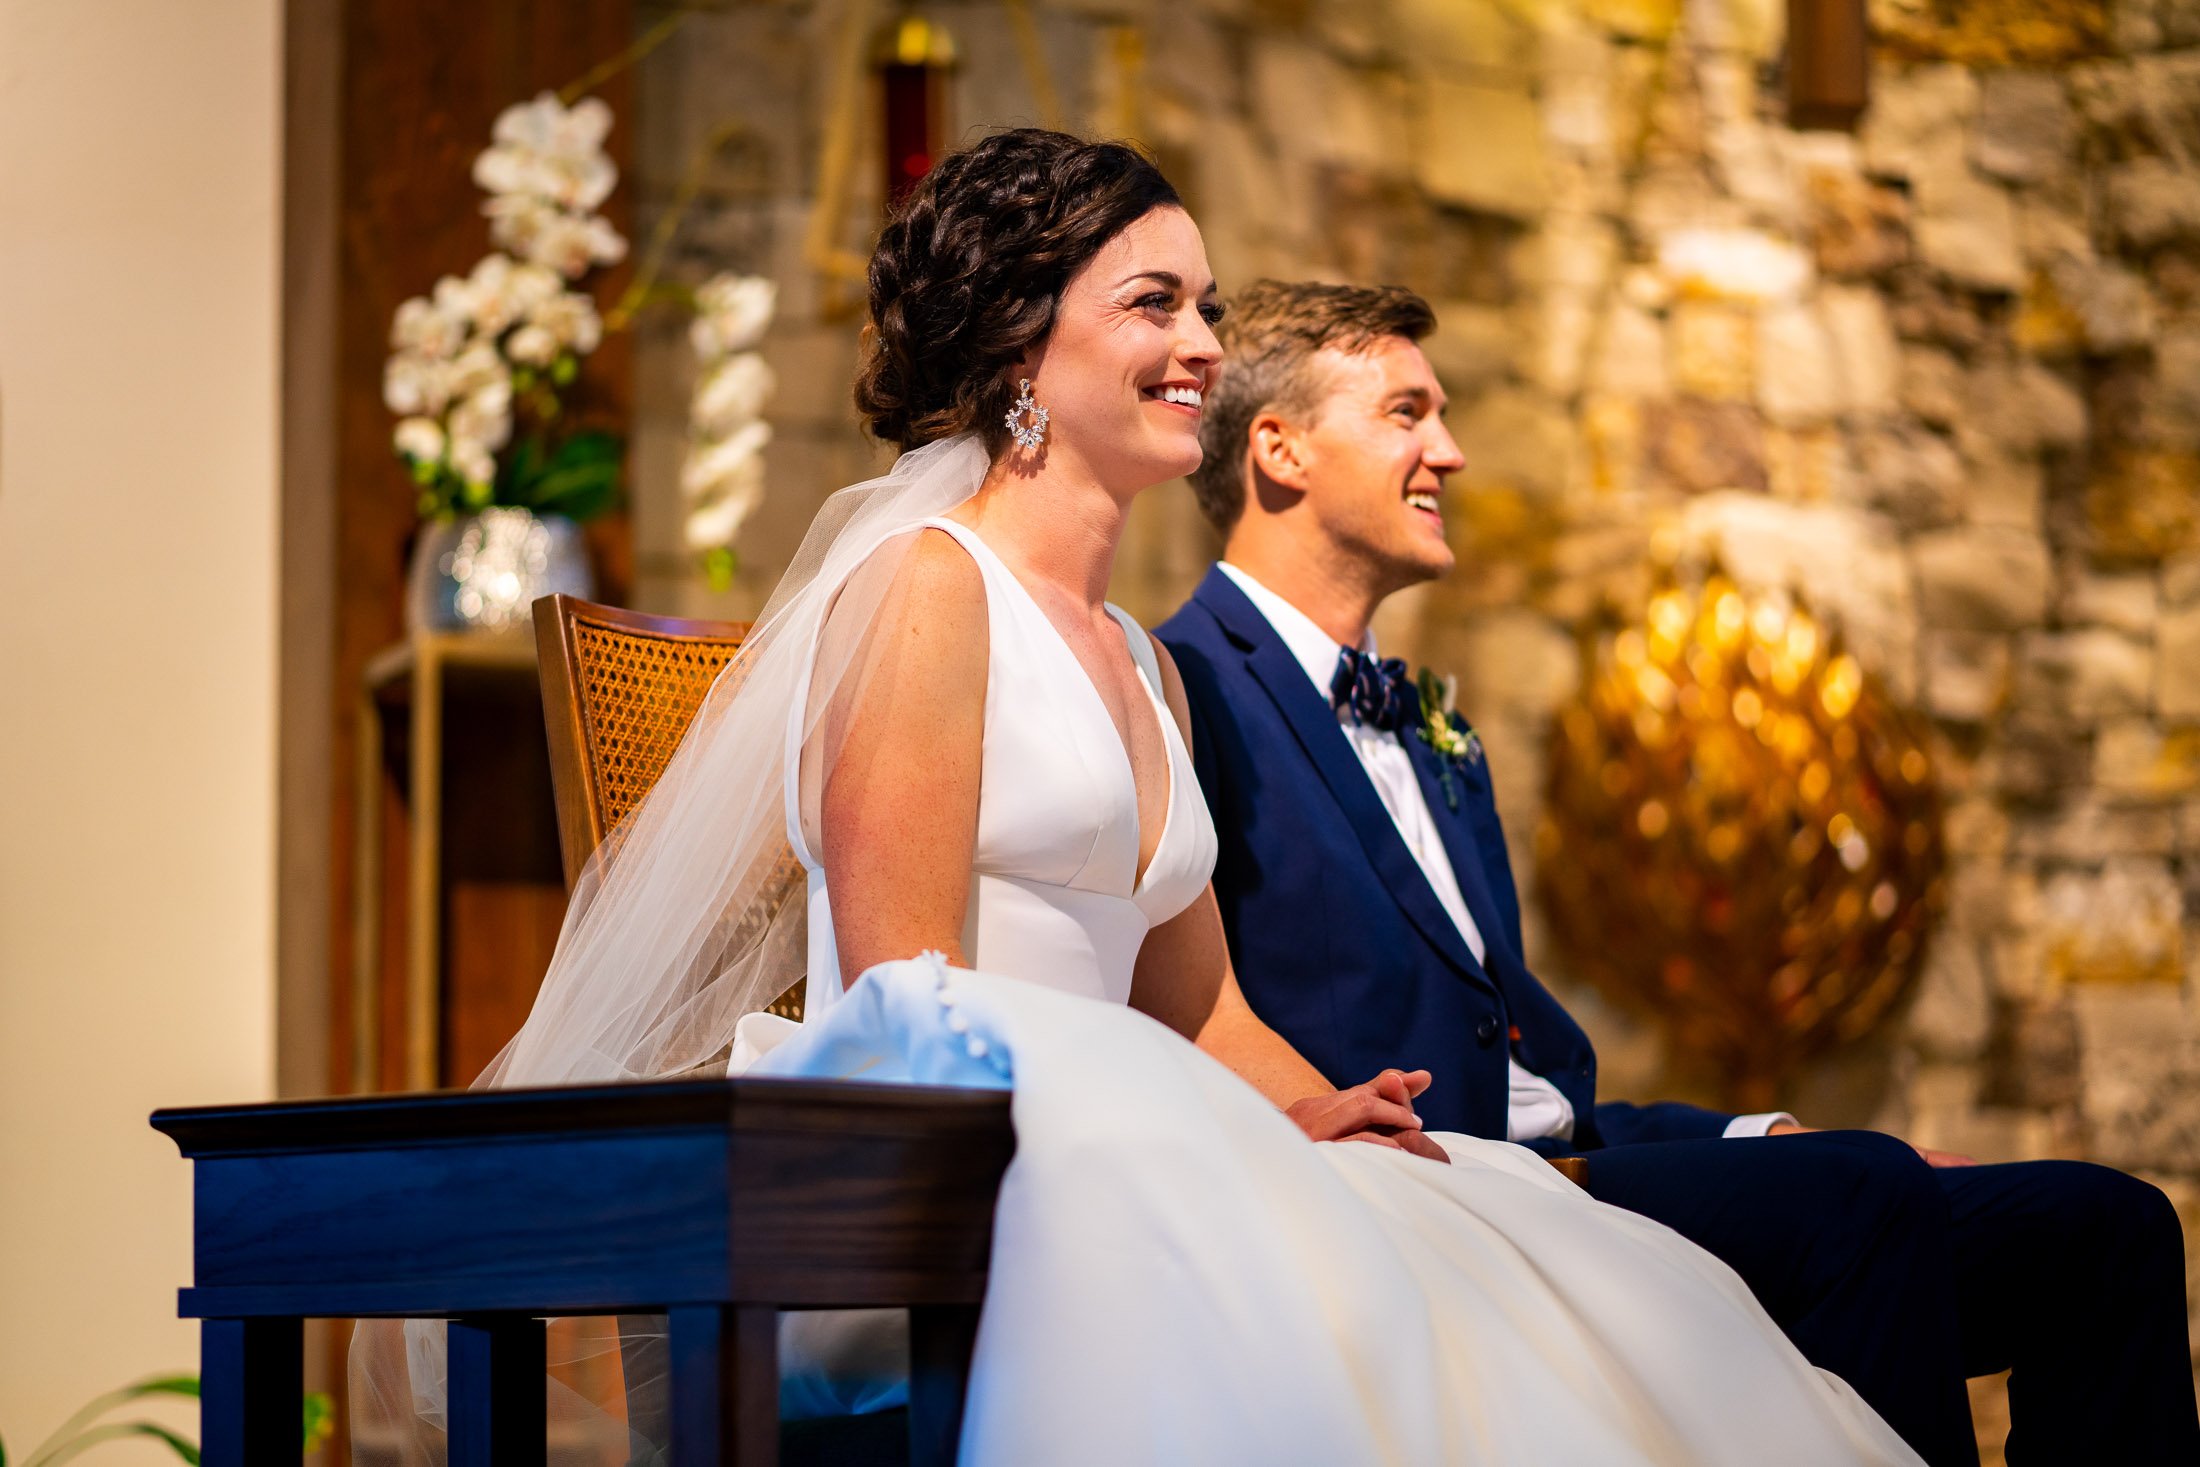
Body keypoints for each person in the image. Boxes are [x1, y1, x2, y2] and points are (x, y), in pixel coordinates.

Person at [364, 131, 1926, 1466]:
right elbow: (907, 978)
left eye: (1208, 306)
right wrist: (1165, 1119)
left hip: (1128, 1119)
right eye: (1154, 303)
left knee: (1523, 1251)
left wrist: (1315, 1105)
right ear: (1025, 349)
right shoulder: (927, 587)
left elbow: (1206, 1009)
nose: (1200, 342)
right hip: (948, 1143)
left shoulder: (1144, 664)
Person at [1154, 277, 2200, 1467]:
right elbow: (1188, 1017)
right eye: (1406, 413)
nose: (1449, 449)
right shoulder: (1187, 689)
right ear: (1279, 450)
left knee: (2104, 1224)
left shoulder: (1436, 725)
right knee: (1863, 1192)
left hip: (1568, 1163)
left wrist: (1755, 1131)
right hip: (1423, 1200)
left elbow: (1536, 1078)